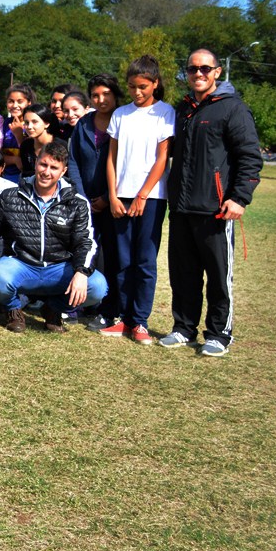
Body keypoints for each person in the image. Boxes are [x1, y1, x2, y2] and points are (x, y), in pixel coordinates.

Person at [162, 49, 262, 357]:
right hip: (181, 207)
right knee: (183, 273)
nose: (198, 74)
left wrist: (239, 198)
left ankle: (219, 333)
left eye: (205, 68)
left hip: (216, 209)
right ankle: (183, 327)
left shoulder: (233, 109)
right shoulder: (183, 109)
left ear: (217, 72)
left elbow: (249, 157)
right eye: (193, 69)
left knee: (219, 275)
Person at [0, 142, 108, 334]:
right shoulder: (11, 196)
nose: (46, 172)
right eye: (43, 165)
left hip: (59, 268)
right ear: (35, 163)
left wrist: (82, 273)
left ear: (63, 171)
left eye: (54, 167)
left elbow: (86, 241)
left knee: (97, 287)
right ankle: (13, 309)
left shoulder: (77, 202)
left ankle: (54, 308)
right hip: (21, 265)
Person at [99, 56, 174, 345]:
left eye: (142, 86)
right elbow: (111, 158)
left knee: (144, 262)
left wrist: (143, 194)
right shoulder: (120, 114)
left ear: (155, 83)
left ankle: (140, 322)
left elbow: (162, 158)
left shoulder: (166, 113)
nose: (137, 92)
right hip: (121, 196)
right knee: (122, 260)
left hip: (152, 197)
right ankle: (123, 319)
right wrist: (114, 196)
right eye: (131, 87)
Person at [66, 74, 123, 331]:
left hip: (115, 202)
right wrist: (83, 196)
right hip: (85, 202)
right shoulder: (84, 125)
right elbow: (73, 160)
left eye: (105, 94)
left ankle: (111, 310)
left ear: (115, 94)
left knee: (112, 257)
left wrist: (108, 196)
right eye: (96, 95)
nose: (101, 100)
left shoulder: (124, 119)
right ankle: (78, 304)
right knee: (84, 251)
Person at [1, 83, 35, 183]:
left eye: (20, 101)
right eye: (11, 101)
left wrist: (19, 136)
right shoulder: (4, 123)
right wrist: (14, 159)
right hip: (4, 177)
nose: (15, 105)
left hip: (26, 178)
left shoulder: (33, 124)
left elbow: (33, 156)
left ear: (29, 102)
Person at [19, 103, 63, 179]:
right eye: (26, 122)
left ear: (47, 124)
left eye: (34, 122)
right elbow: (26, 174)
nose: (29, 127)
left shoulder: (61, 146)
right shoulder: (25, 146)